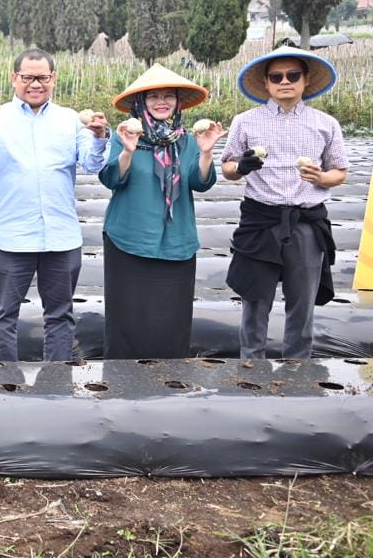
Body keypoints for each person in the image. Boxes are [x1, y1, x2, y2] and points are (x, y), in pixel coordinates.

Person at [0, 48, 110, 362]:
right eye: (27, 77)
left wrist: (99, 138)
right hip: (10, 236)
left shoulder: (70, 120)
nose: (35, 84)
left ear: (53, 78)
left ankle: (56, 388)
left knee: (60, 316)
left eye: (42, 77)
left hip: (61, 235)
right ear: (15, 78)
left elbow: (92, 164)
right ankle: (5, 390)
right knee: (4, 316)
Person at [221, 45, 347, 359]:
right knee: (255, 298)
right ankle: (251, 363)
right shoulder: (246, 121)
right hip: (261, 220)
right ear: (266, 83)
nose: (284, 82)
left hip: (305, 221)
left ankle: (297, 366)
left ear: (305, 80)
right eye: (276, 76)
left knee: (301, 300)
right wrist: (241, 167)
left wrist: (320, 178)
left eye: (292, 75)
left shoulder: (325, 123)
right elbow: (228, 167)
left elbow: (340, 172)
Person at [98, 65, 226, 359]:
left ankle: (168, 387)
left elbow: (200, 182)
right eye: (153, 96)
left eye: (168, 96)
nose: (161, 101)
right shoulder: (125, 136)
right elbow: (112, 179)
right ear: (140, 103)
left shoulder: (189, 141)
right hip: (129, 239)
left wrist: (207, 153)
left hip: (176, 243)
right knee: (126, 320)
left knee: (172, 321)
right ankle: (123, 385)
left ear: (178, 102)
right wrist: (128, 152)